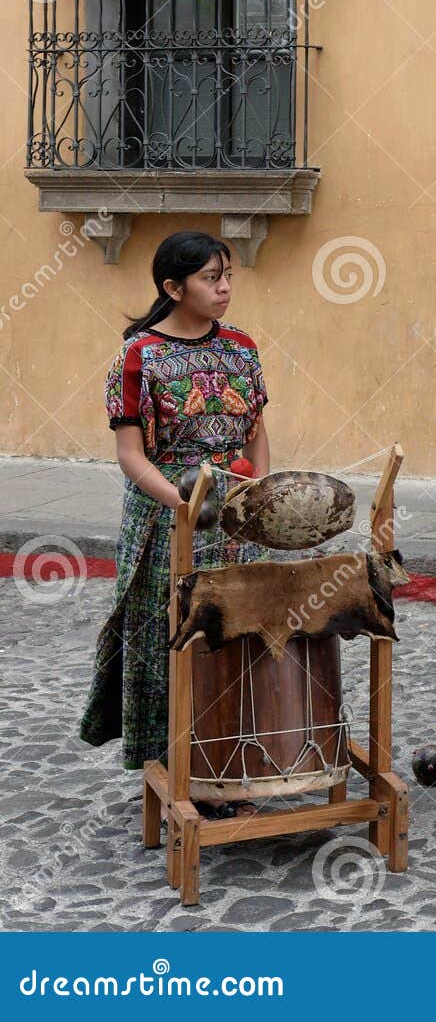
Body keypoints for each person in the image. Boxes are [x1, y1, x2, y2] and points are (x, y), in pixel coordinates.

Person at [79, 231, 271, 814]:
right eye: (212, 278)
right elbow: (131, 455)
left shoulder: (241, 347)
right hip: (170, 519)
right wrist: (185, 506)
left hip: (236, 517)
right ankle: (180, 769)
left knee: (237, 637)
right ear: (172, 287)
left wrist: (257, 495)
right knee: (175, 640)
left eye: (228, 276)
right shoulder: (138, 355)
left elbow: (257, 431)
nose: (224, 288)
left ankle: (236, 758)